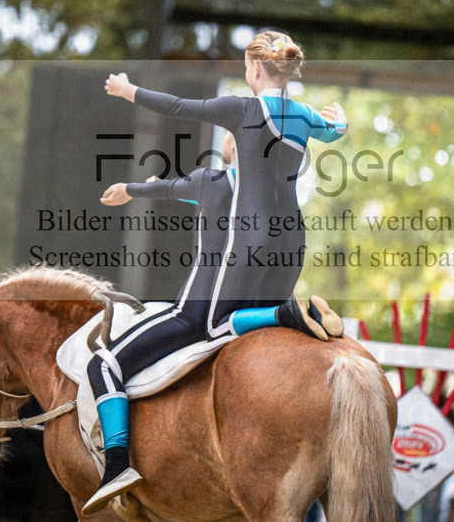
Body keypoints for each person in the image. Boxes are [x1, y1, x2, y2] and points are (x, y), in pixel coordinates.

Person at [84, 31, 347, 514]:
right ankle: (281, 313)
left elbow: (180, 109)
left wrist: (127, 91)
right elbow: (335, 132)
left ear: (253, 69)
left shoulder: (240, 118)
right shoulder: (303, 116)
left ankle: (118, 462)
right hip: (293, 243)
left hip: (251, 241)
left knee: (175, 336)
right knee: (236, 323)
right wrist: (340, 119)